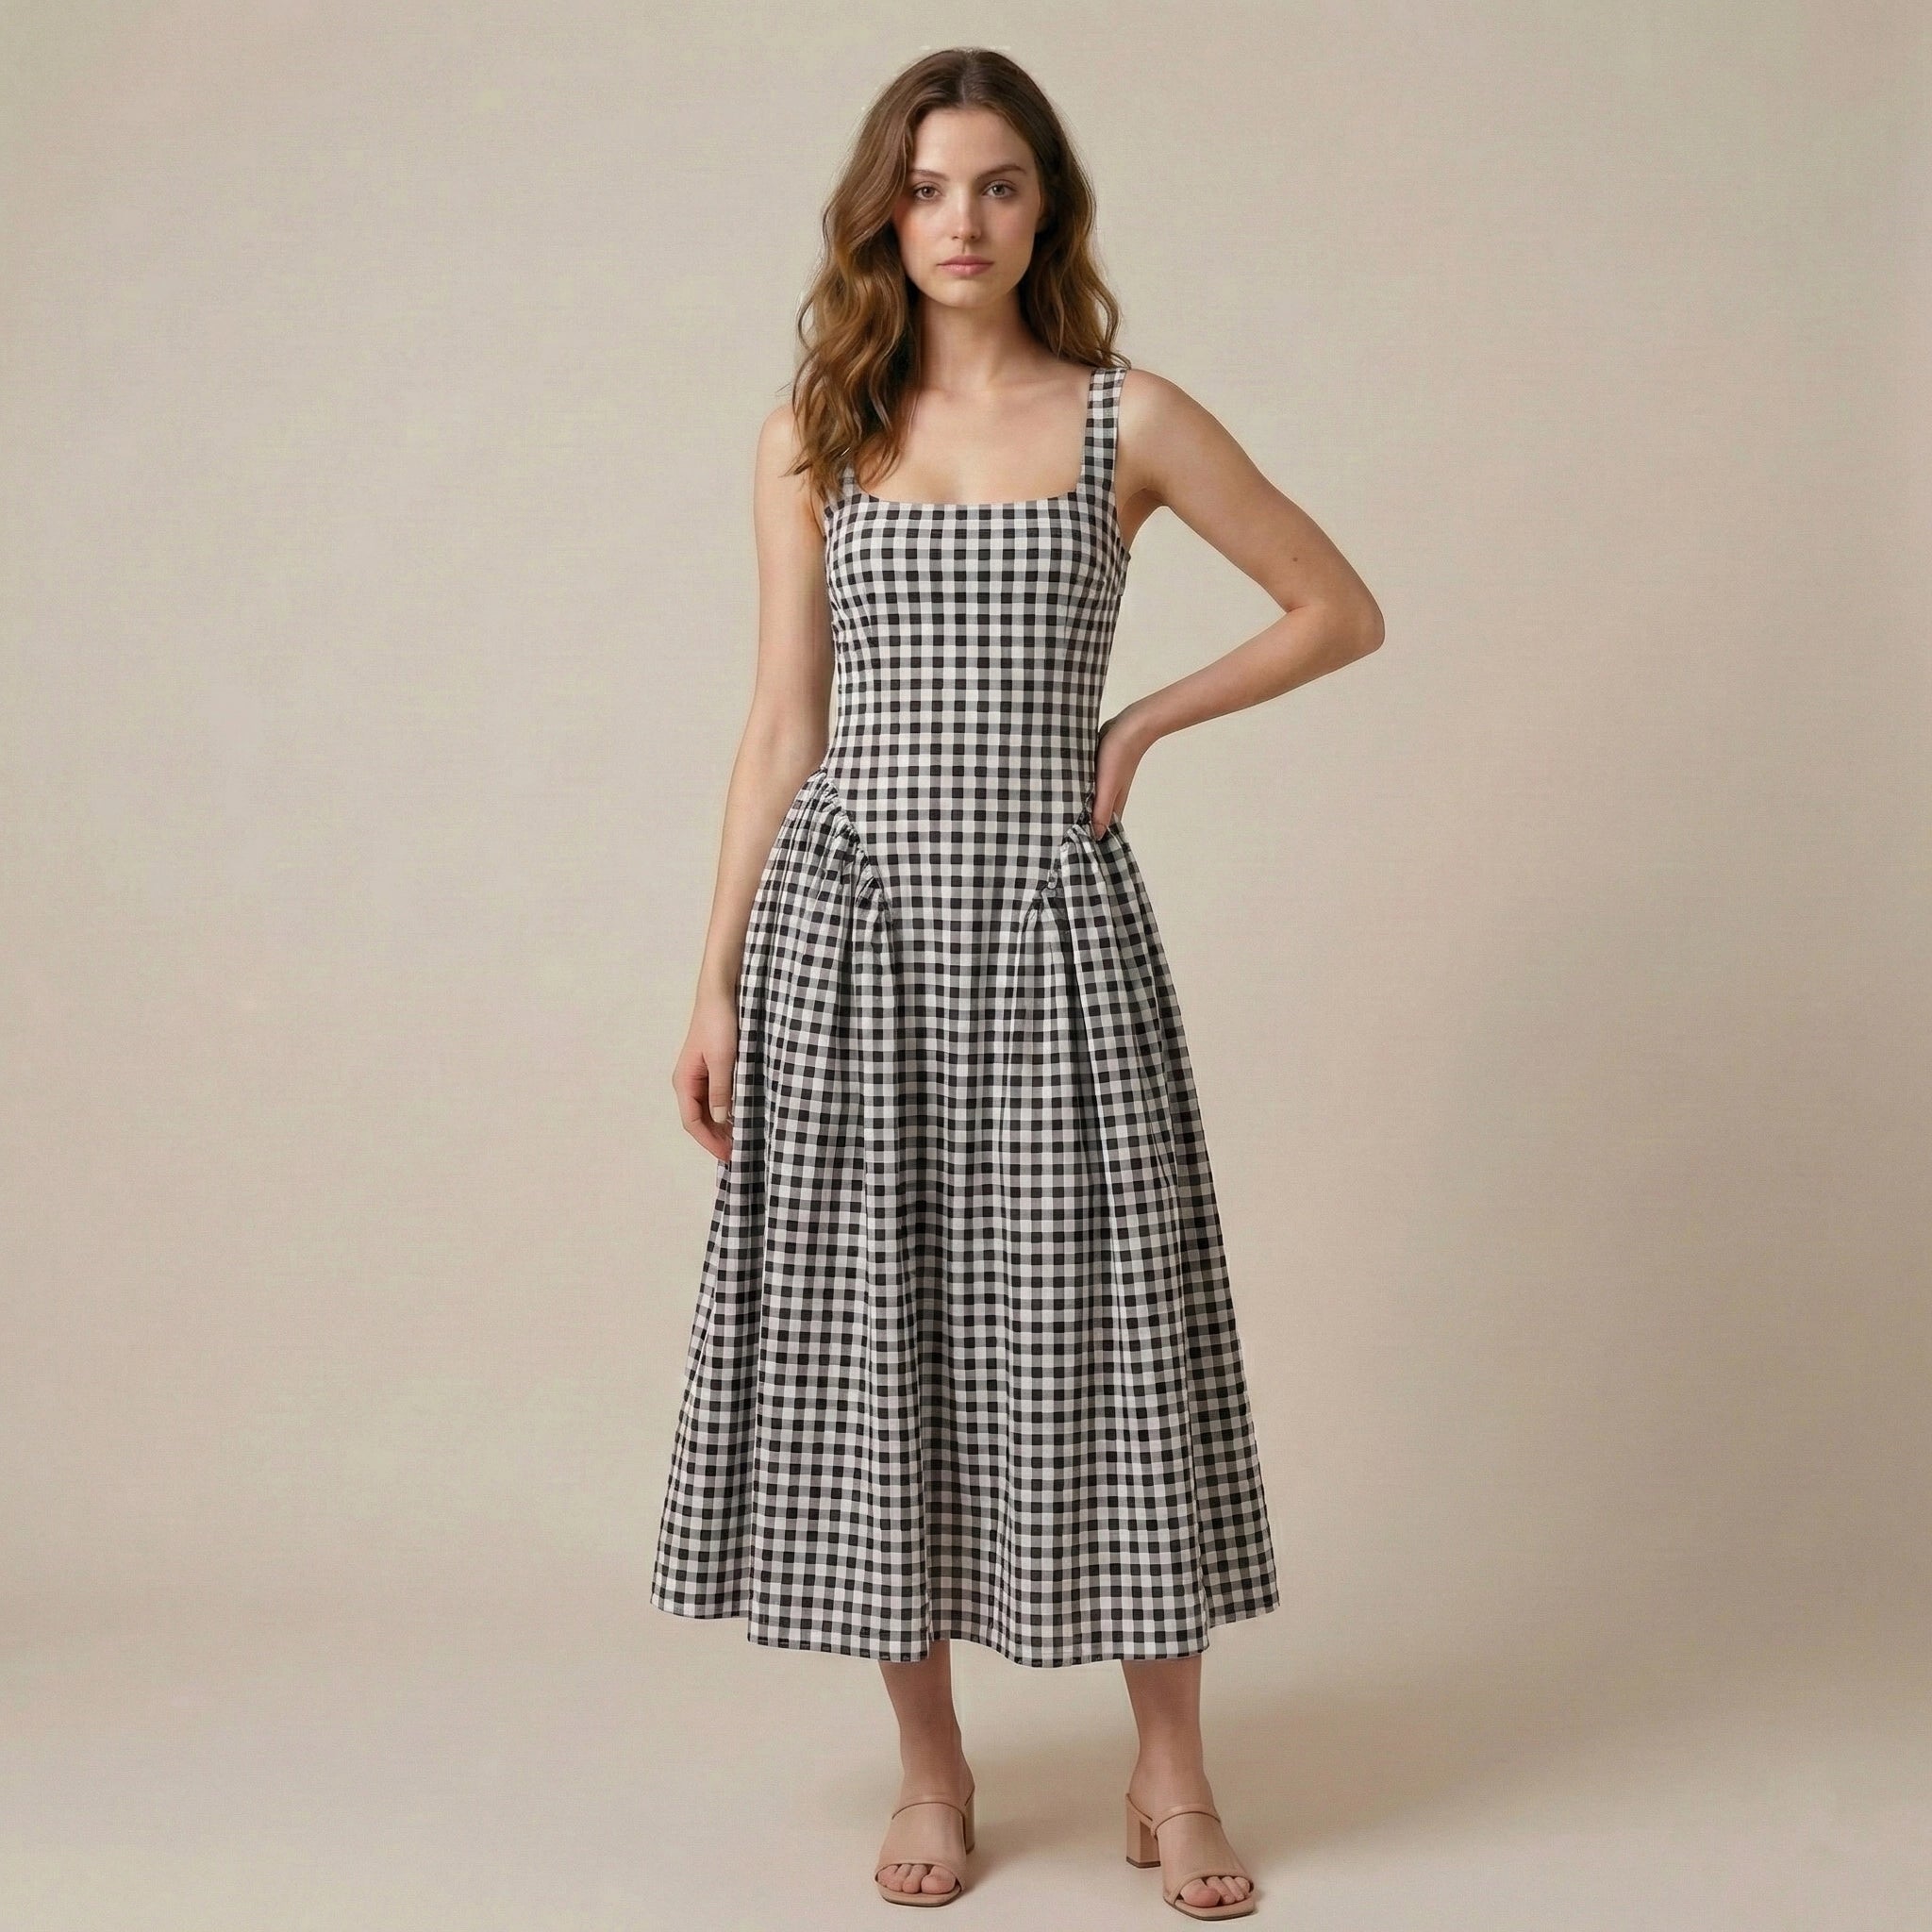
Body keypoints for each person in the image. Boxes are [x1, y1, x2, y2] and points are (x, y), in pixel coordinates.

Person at [656, 46, 1382, 1921]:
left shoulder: (1126, 416)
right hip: (852, 930)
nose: (958, 221)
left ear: (1041, 202)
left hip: (1053, 933)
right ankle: (932, 1764)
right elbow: (779, 720)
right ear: (878, 214)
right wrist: (717, 975)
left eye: (992, 184)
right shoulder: (813, 428)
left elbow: (1334, 604)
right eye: (923, 188)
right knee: (871, 1337)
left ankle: (1170, 1771)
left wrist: (1138, 722)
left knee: (1118, 1326)